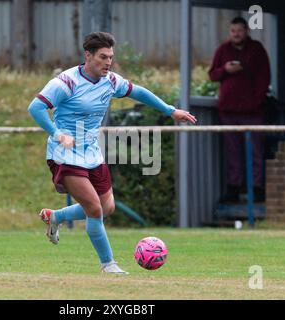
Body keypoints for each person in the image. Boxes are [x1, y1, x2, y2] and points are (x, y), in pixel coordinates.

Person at [27, 32, 197, 274]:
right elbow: (36, 108)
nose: (108, 62)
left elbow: (138, 91)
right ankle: (109, 264)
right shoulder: (66, 82)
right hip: (64, 154)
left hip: (92, 153)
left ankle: (57, 216)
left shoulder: (111, 80)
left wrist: (170, 111)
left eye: (111, 57)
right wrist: (57, 134)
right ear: (88, 55)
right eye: (103, 57)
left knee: (107, 208)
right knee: (94, 209)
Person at [208, 17, 271, 203]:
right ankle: (234, 188)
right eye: (233, 31)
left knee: (255, 151)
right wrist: (226, 70)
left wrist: (256, 101)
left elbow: (265, 78)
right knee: (233, 152)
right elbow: (212, 74)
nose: (236, 34)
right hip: (229, 110)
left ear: (246, 31)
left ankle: (257, 189)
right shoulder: (223, 50)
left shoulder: (257, 50)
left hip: (253, 111)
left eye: (240, 31)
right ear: (230, 32)